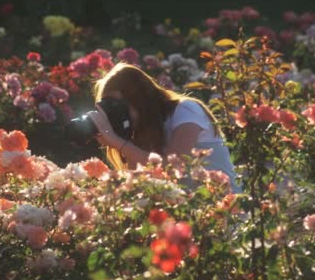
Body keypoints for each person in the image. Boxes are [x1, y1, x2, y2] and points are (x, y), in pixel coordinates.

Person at [86, 62, 241, 193]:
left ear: (139, 98)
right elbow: (141, 187)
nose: (117, 114)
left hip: (226, 214)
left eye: (117, 106)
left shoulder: (186, 110)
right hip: (191, 219)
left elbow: (173, 167)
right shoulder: (142, 131)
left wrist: (118, 142)